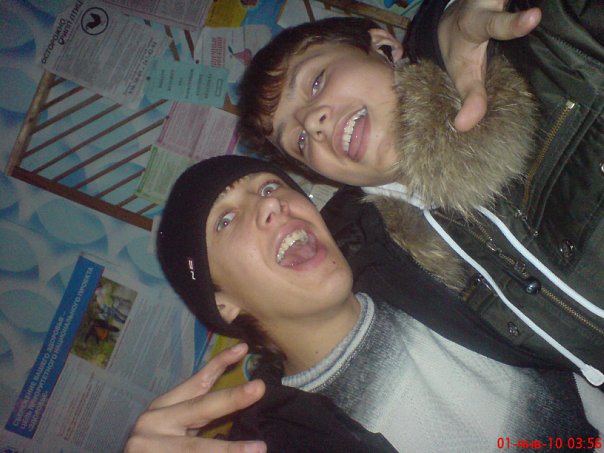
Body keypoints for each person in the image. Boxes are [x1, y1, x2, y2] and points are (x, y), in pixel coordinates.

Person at [236, 0, 604, 385]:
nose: (312, 122)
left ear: (384, 47)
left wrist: (438, 22)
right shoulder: (380, 266)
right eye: (298, 141)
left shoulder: (534, 54)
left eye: (316, 82)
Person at [145, 154, 601, 452]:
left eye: (268, 188)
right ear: (221, 303)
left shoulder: (419, 248)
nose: (271, 205)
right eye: (225, 220)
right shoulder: (280, 440)